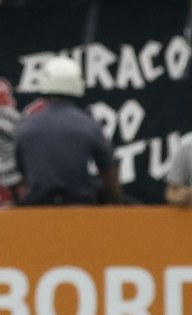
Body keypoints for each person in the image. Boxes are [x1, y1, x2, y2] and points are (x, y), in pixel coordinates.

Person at [14, 56, 121, 206]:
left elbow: (23, 177)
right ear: (78, 83)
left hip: (37, 214)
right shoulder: (89, 126)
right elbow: (109, 176)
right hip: (80, 214)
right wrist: (115, 206)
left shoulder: (26, 127)